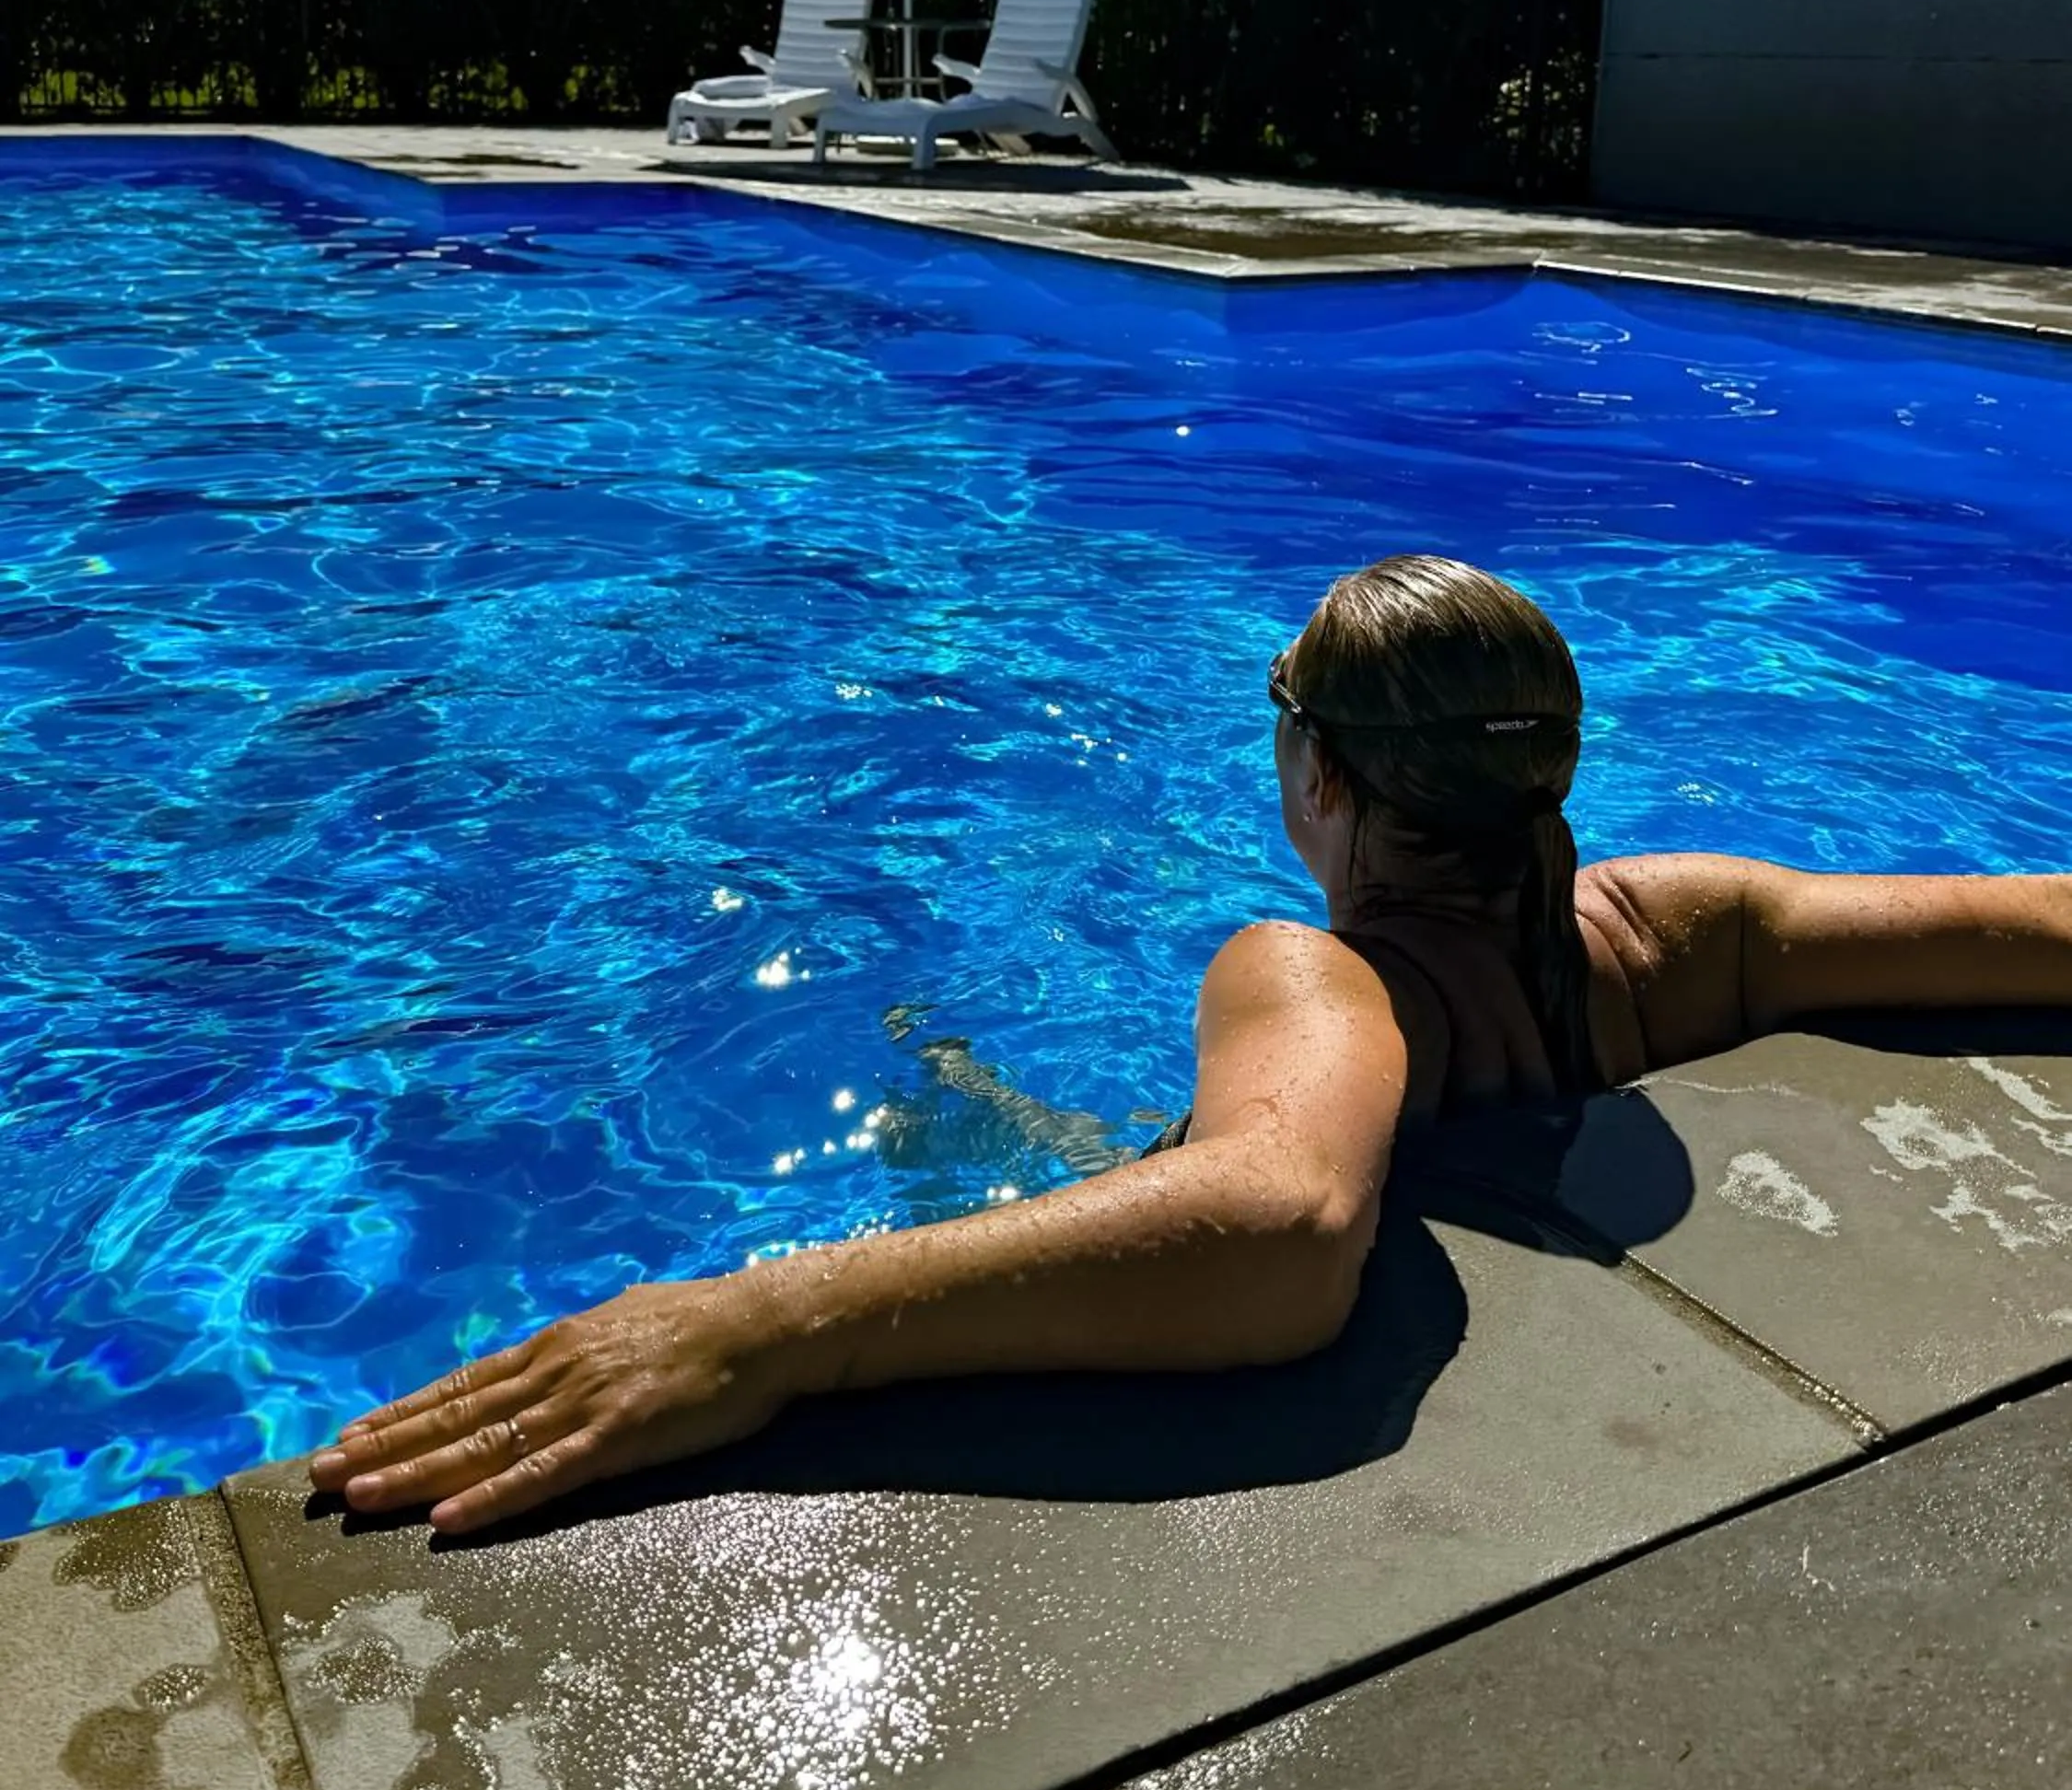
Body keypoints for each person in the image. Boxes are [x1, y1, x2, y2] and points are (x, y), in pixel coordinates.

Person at [309, 553, 2072, 1534]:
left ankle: (954, 1098)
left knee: (971, 1118)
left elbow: (1281, 1224)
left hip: (1251, 1180)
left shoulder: (1307, 978)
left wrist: (763, 1326)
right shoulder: (1697, 925)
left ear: (1317, 774)